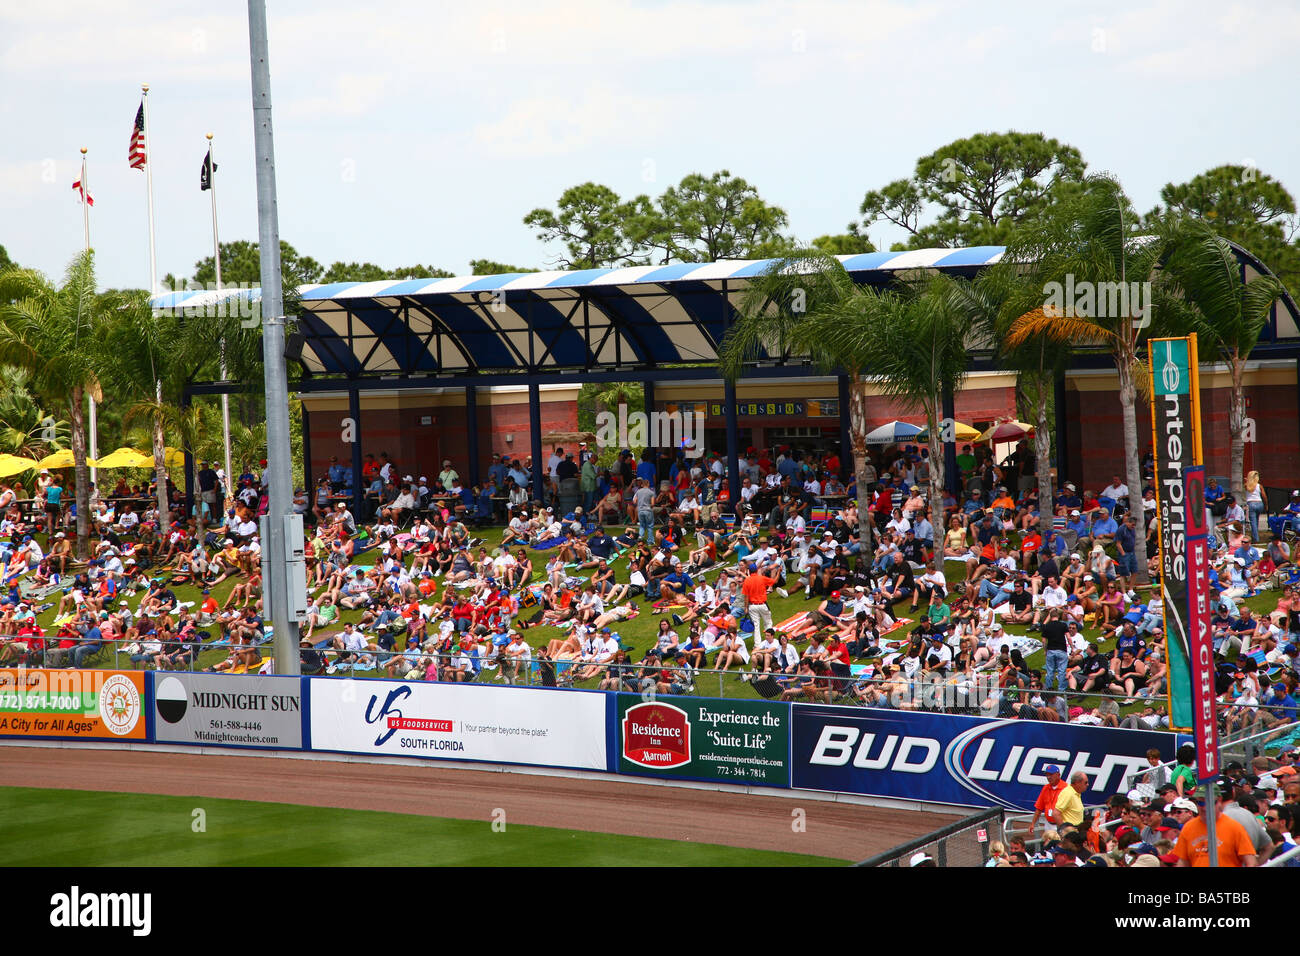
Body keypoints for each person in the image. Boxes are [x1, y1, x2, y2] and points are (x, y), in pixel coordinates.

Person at [1172, 780, 1258, 867]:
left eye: (1210, 802)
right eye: (1201, 803)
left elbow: (1251, 862)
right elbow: (1183, 862)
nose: (1205, 807)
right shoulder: (1188, 828)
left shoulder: (1234, 827)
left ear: (1219, 800)